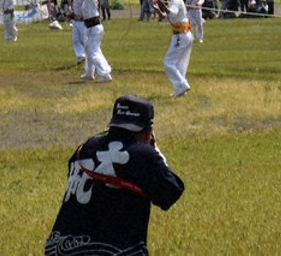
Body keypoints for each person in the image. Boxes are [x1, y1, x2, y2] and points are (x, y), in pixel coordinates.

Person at [45, 95, 185, 255]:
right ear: (149, 131)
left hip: (58, 248)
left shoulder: (83, 149)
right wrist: (155, 150)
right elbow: (170, 193)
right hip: (111, 251)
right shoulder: (143, 154)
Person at [153, 0, 195, 98]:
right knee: (180, 64)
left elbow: (172, 13)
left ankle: (182, 85)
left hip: (181, 36)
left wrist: (163, 5)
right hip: (183, 35)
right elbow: (166, 17)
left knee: (168, 62)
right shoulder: (174, 1)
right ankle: (181, 88)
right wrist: (158, 9)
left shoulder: (175, 0)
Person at [72, 0, 112, 83]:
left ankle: (105, 74)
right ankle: (89, 73)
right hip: (91, 27)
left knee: (93, 52)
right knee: (89, 49)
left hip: (94, 28)